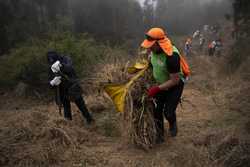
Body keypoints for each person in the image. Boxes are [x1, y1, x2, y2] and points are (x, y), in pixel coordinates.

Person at [141, 28, 185, 143]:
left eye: (151, 45)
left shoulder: (172, 57)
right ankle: (159, 136)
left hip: (174, 86)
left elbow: (175, 80)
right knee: (156, 111)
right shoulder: (153, 51)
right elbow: (152, 62)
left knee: (168, 112)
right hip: (160, 84)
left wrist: (156, 89)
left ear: (159, 43)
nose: (149, 48)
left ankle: (172, 123)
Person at [47, 50, 94, 124]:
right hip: (62, 90)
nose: (51, 61)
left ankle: (90, 120)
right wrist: (52, 82)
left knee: (81, 105)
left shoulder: (65, 59)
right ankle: (69, 125)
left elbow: (70, 68)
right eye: (50, 60)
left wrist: (61, 66)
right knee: (66, 108)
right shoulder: (50, 66)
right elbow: (49, 82)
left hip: (72, 86)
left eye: (52, 59)